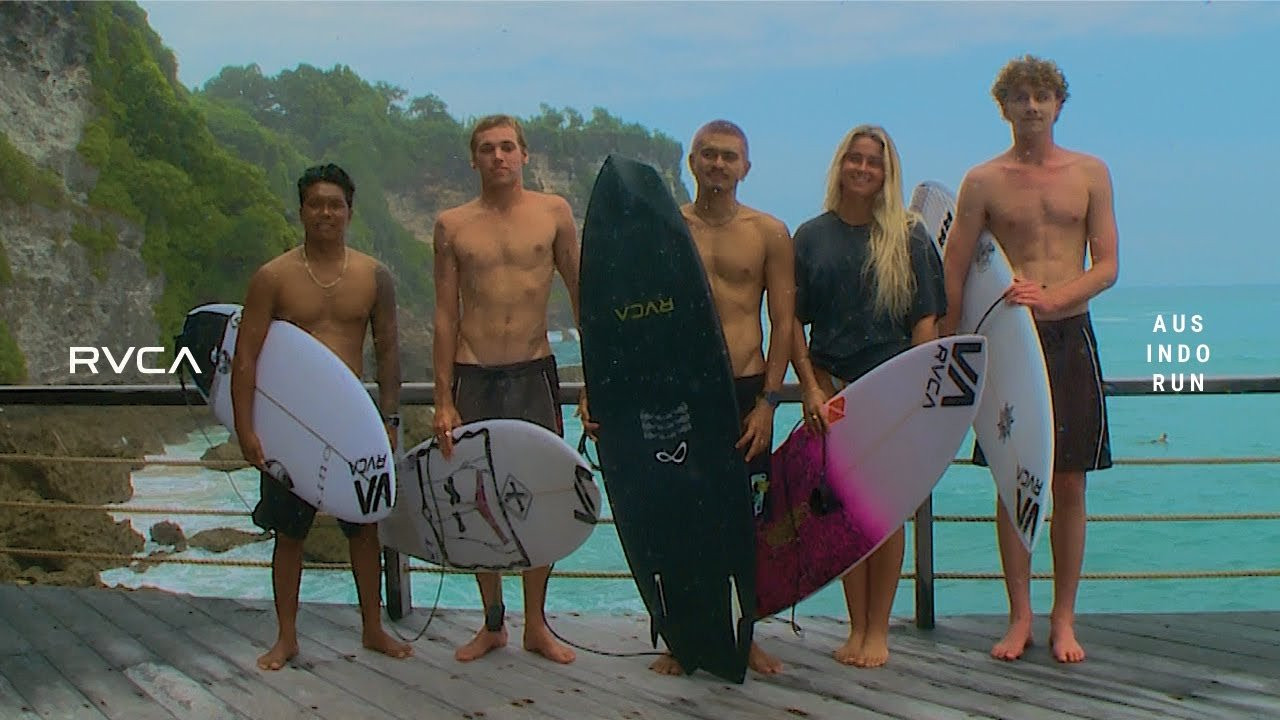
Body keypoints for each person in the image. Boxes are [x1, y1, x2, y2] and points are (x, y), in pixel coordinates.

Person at [939, 55, 1119, 664]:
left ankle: (1064, 620)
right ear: (1005, 107)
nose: (1033, 106)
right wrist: (944, 342)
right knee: (1012, 475)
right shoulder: (983, 181)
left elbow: (1107, 265)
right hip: (1009, 344)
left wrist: (1053, 297)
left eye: (1043, 96)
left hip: (1070, 337)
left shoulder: (1090, 173)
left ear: (1059, 104)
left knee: (1069, 481)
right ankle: (1020, 617)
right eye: (1021, 96)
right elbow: (956, 265)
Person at [233, 163, 411, 671]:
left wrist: (390, 419)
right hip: (291, 425)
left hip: (353, 421)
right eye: (317, 203)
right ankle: (286, 637)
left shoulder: (374, 275)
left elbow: (389, 351)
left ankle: (373, 627)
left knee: (365, 528)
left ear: (349, 212)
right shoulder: (273, 277)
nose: (326, 212)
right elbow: (246, 356)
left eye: (336, 204)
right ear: (302, 210)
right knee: (290, 534)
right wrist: (247, 429)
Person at [634, 119, 794, 677]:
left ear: (746, 167)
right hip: (678, 395)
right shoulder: (663, 229)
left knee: (746, 525)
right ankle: (682, 639)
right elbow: (636, 321)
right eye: (708, 155)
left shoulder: (769, 232)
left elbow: (784, 321)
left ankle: (746, 635)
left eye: (729, 157)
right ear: (692, 163)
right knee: (680, 522)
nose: (719, 165)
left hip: (745, 392)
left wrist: (770, 403)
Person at [788, 125, 945, 668]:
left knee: (885, 513)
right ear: (840, 166)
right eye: (853, 159)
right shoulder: (810, 237)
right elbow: (791, 324)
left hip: (892, 391)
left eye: (872, 162)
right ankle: (855, 628)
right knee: (841, 515)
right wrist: (811, 390)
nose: (861, 169)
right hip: (832, 392)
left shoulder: (910, 236)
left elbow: (926, 321)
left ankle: (879, 631)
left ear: (886, 172)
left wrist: (913, 395)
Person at [432, 114, 581, 665]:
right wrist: (444, 398)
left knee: (540, 496)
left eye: (507, 147)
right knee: (476, 501)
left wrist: (594, 384)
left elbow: (581, 296)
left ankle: (536, 624)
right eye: (487, 149)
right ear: (474, 159)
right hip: (474, 374)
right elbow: (445, 314)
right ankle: (493, 622)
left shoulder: (553, 213)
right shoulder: (452, 225)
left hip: (534, 371)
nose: (498, 157)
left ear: (524, 154)